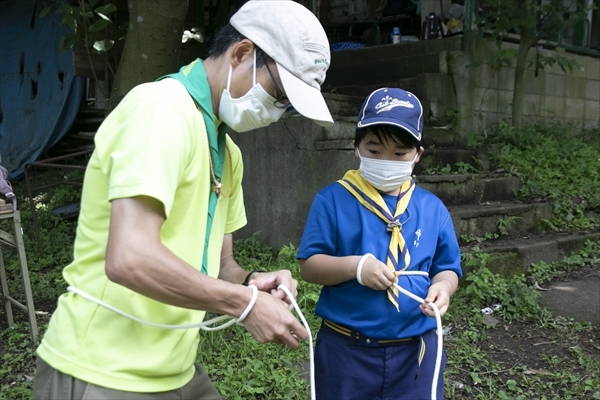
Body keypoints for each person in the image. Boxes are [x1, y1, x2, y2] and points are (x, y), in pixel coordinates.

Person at [32, 1, 333, 399]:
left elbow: (220, 264)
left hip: (175, 370)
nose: (278, 111)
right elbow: (130, 258)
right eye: (279, 93)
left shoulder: (227, 152)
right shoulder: (160, 111)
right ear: (242, 53)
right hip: (101, 370)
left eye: (288, 106)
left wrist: (249, 283)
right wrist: (243, 304)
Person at [297, 87, 462, 399]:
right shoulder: (333, 200)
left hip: (416, 353)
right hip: (346, 350)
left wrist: (444, 288)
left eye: (400, 154)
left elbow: (446, 268)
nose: (387, 161)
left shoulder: (432, 208)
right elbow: (310, 266)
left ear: (418, 155)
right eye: (374, 151)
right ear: (356, 147)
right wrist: (356, 267)